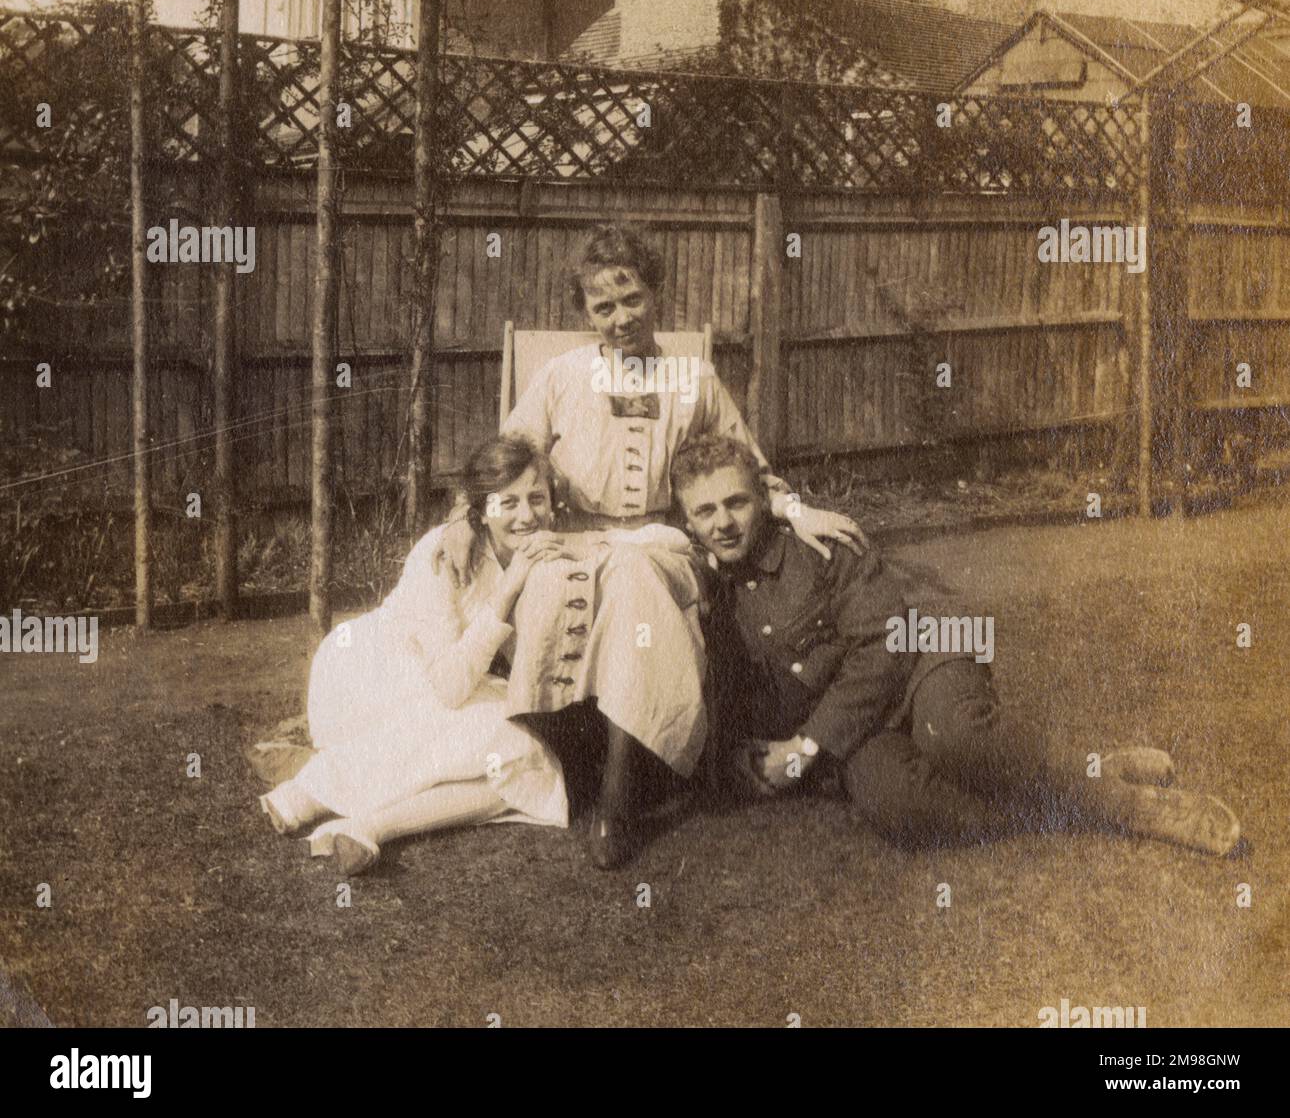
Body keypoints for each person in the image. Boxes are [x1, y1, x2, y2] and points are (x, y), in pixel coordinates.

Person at [430, 224, 866, 866]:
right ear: (583, 313)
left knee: (635, 576)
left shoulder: (693, 377)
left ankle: (619, 793)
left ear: (654, 293)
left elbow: (745, 465)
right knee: (547, 580)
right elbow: (506, 462)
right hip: (576, 536)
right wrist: (466, 518)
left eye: (631, 298)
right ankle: (563, 763)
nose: (619, 317)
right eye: (602, 306)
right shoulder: (562, 377)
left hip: (663, 539)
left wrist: (796, 510)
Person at [671, 434, 1243, 857]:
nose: (723, 522)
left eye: (736, 502)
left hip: (921, 656)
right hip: (860, 721)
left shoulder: (820, 545)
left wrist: (808, 746)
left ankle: (1136, 809)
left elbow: (881, 647)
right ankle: (1087, 775)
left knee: (959, 741)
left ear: (762, 500)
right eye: (706, 510)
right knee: (898, 808)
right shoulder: (704, 592)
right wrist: (749, 755)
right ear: (688, 522)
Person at [259, 437, 695, 876]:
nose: (527, 515)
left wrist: (582, 546)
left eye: (537, 499)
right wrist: (506, 592)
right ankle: (305, 793)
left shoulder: (545, 544)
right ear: (482, 510)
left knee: (526, 756)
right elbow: (449, 685)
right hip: (376, 673)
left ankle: (369, 827)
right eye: (508, 503)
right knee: (491, 735)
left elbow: (664, 538)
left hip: (463, 683)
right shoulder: (442, 553)